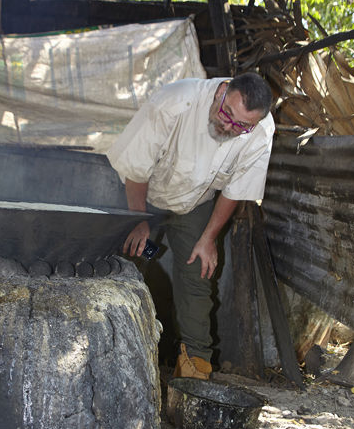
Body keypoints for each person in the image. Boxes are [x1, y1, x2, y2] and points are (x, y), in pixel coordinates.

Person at [106, 73, 275, 380]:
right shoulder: (175, 101)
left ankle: (195, 370)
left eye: (241, 126)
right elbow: (136, 167)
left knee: (200, 271)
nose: (228, 127)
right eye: (227, 115)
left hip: (195, 202)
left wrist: (209, 238)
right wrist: (138, 221)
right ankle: (111, 353)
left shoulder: (261, 133)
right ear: (221, 92)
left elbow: (234, 190)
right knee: (123, 265)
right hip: (143, 194)